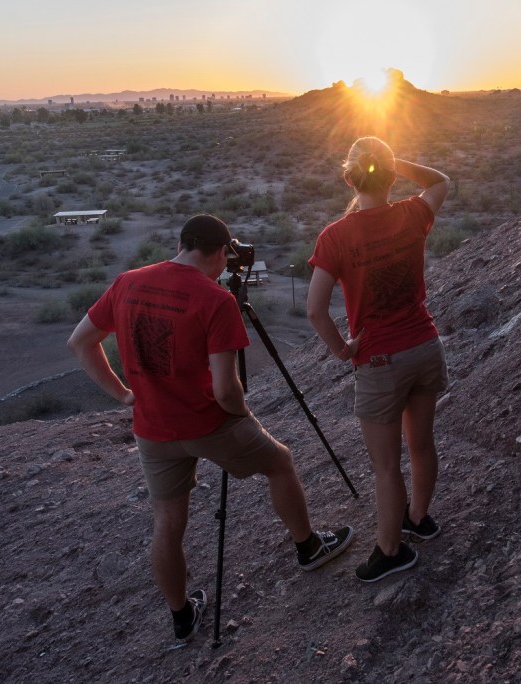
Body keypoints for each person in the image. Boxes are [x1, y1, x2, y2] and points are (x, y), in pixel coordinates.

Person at [67, 213, 353, 642]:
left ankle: (182, 617)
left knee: (168, 522)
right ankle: (308, 547)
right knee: (279, 462)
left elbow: (80, 342)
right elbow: (225, 389)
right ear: (221, 253)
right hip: (209, 423)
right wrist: (242, 415)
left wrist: (124, 394)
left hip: (152, 429)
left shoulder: (127, 281)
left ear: (182, 244)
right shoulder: (215, 300)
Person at [306, 137, 450, 583]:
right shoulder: (412, 213)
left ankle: (391, 551)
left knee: (386, 465)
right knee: (421, 444)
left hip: (381, 360)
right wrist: (389, 161)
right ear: (390, 175)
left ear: (349, 177)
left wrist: (344, 349)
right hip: (425, 345)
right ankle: (418, 519)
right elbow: (440, 180)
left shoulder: (336, 236)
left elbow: (315, 309)